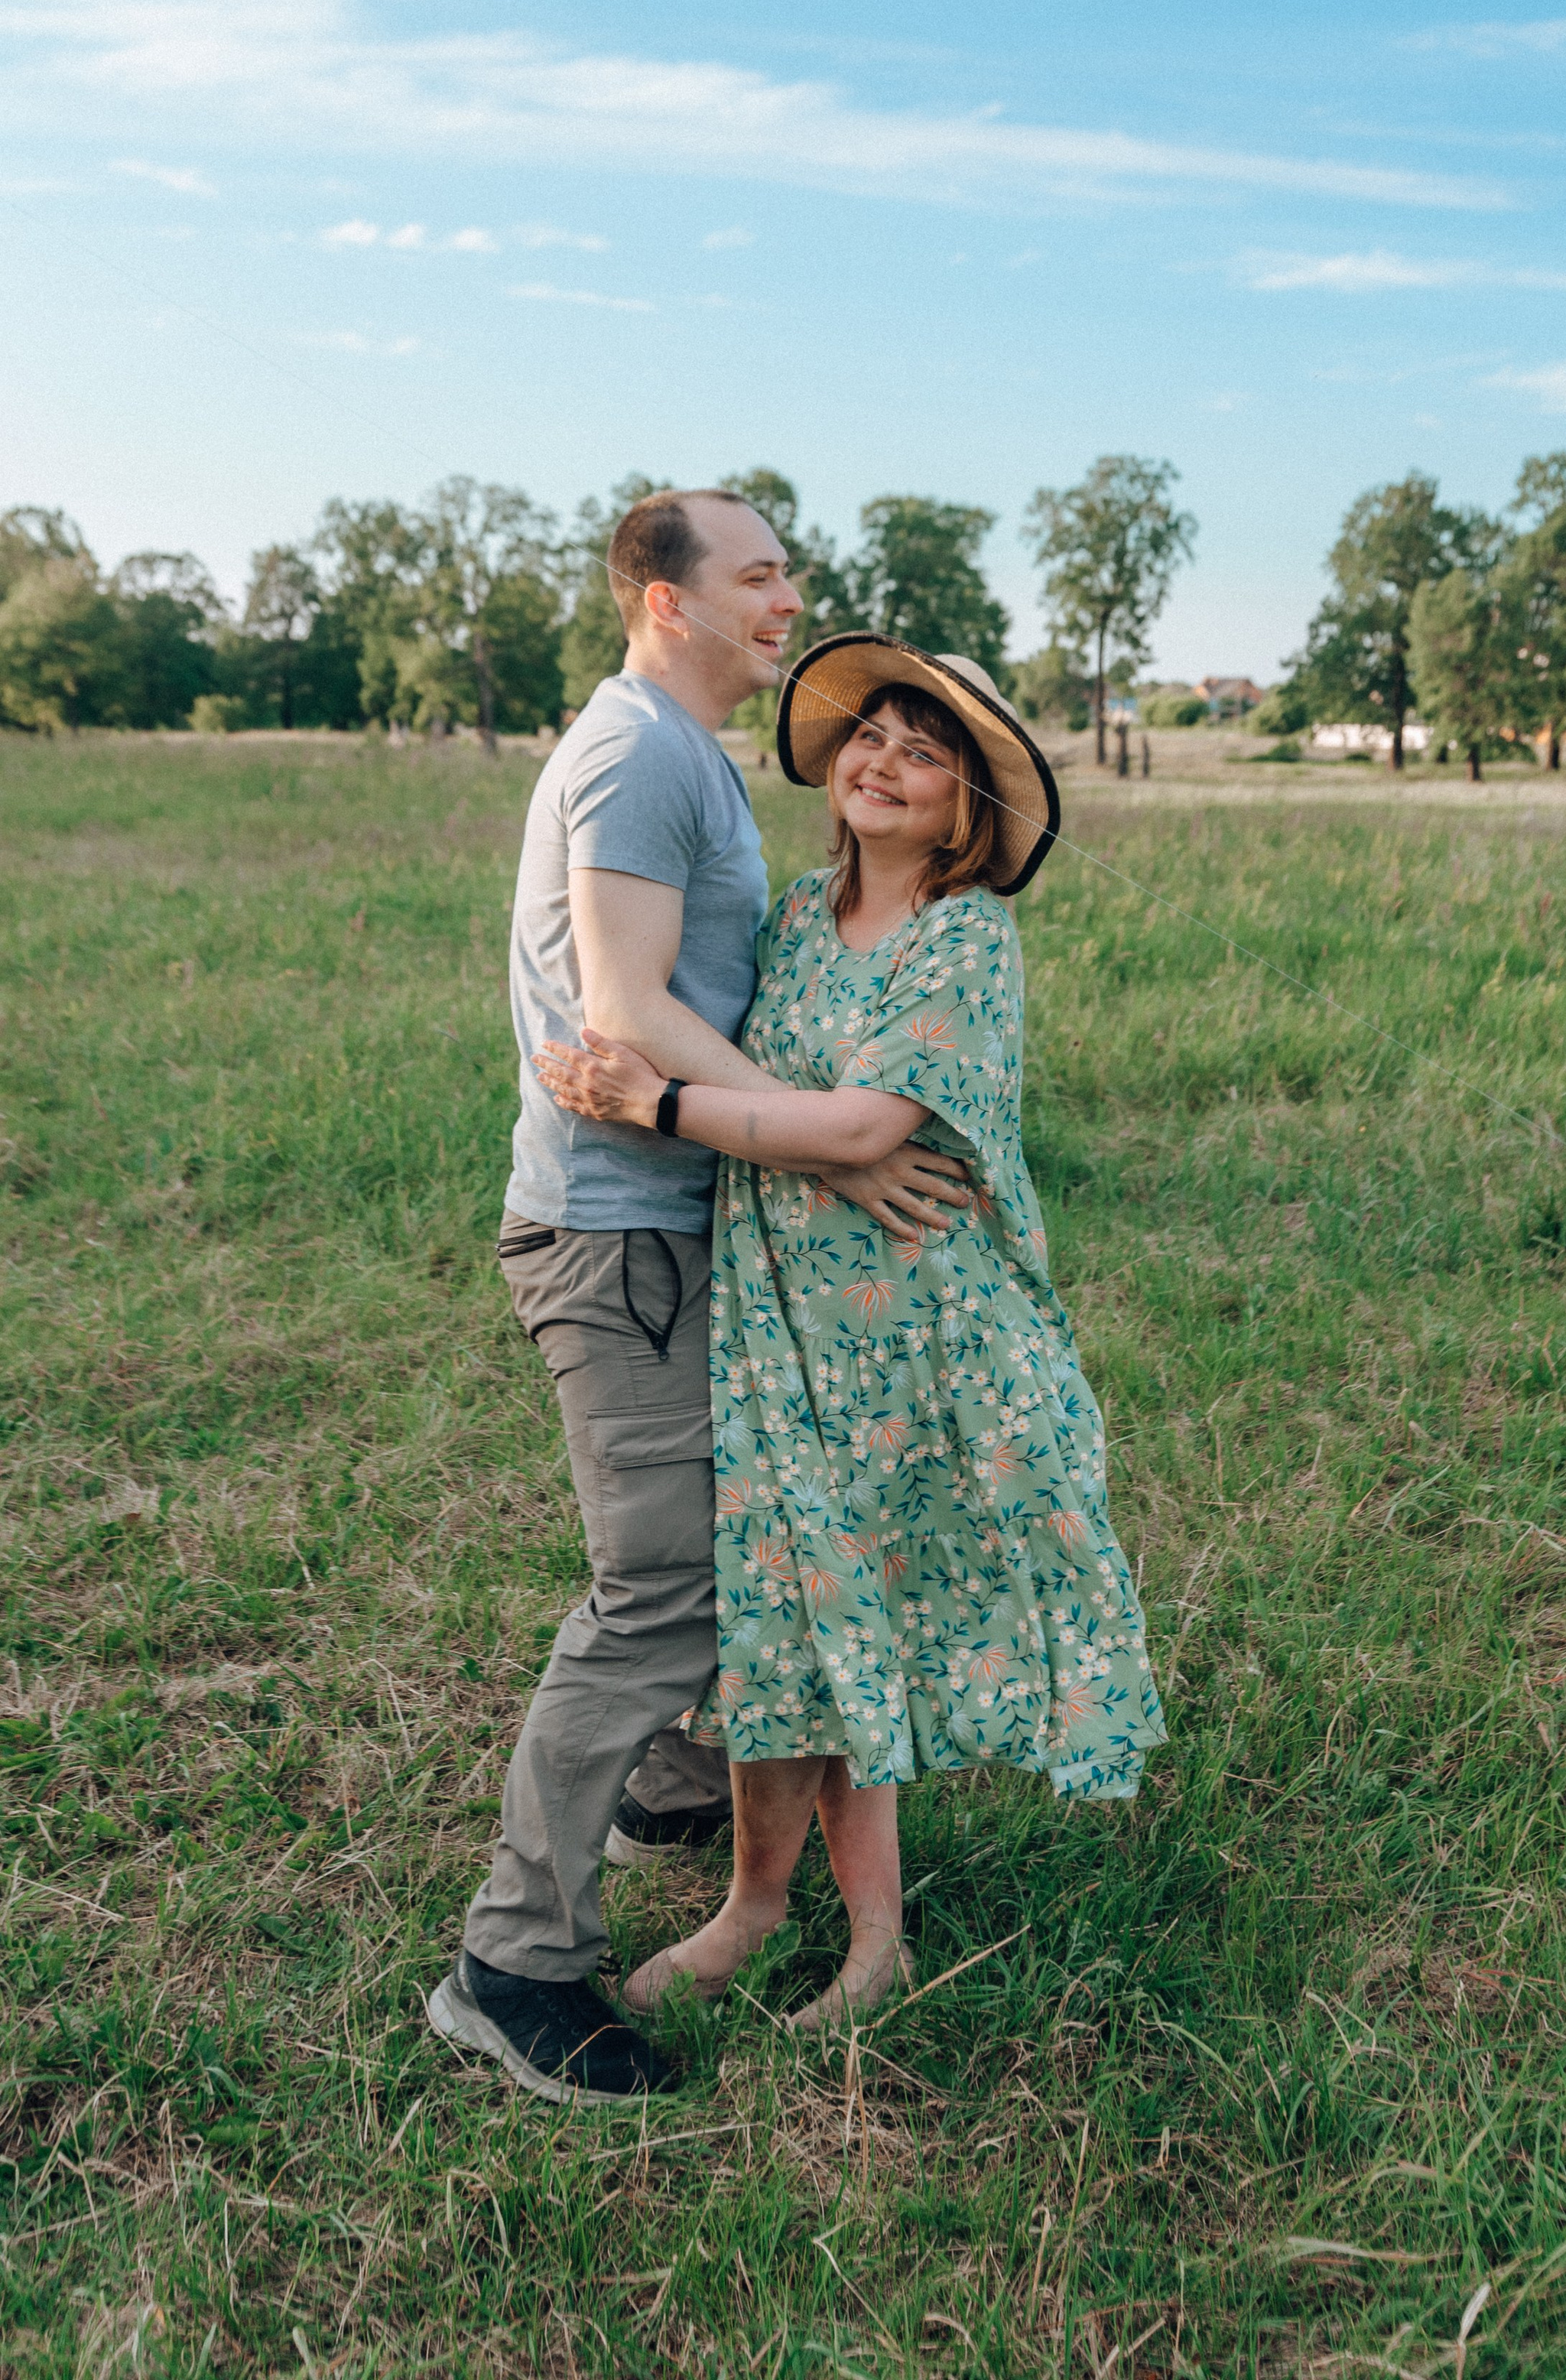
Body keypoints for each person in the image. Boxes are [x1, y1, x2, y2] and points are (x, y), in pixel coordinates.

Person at [538, 633, 1165, 2029]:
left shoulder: (964, 936)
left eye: (925, 752)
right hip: (779, 1318)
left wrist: (654, 1105)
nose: (884, 761)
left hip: (918, 1330)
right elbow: (795, 1097)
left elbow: (868, 1124)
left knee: (863, 1606)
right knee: (786, 1611)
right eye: (872, 735)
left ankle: (874, 1937)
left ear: (966, 808)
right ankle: (755, 1903)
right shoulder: (797, 921)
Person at [428, 499, 970, 2107]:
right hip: (622, 1232)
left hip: (678, 1220)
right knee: (659, 1589)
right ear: (666, 601)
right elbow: (622, 1004)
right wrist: (813, 1141)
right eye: (758, 573)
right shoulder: (642, 753)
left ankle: (672, 1777)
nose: (785, 597)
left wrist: (784, 1142)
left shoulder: (686, 754)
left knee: (740, 1534)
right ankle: (514, 1962)